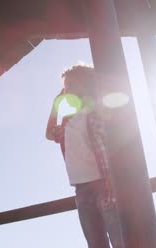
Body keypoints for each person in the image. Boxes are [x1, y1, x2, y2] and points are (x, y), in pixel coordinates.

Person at [46, 65, 123, 248]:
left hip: (102, 185)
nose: (67, 91)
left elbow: (107, 146)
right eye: (65, 87)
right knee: (95, 244)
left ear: (86, 85)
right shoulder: (67, 121)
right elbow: (50, 134)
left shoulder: (95, 113)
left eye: (72, 85)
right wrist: (55, 105)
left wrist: (110, 181)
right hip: (81, 191)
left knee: (120, 240)